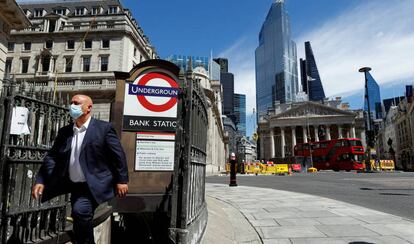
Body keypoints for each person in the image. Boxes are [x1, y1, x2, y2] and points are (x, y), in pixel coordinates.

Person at [32, 94, 129, 244]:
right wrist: (41, 180)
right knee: (80, 216)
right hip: (75, 184)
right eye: (71, 103)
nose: (72, 106)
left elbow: (119, 156)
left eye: (76, 103)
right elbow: (52, 157)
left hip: (95, 183)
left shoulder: (104, 129)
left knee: (80, 211)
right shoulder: (65, 132)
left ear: (88, 107)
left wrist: (122, 180)